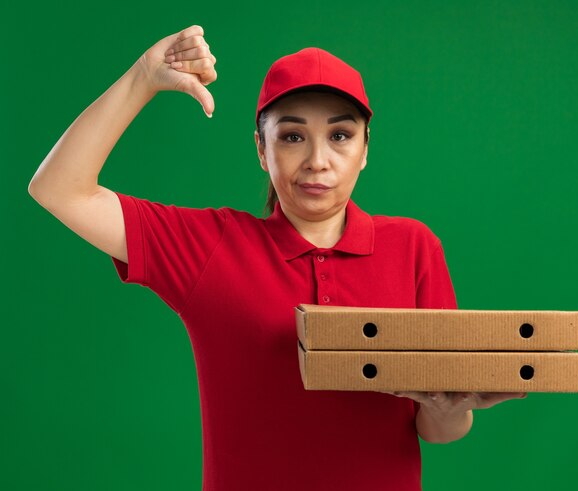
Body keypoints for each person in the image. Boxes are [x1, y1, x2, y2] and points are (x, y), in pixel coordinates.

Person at [28, 24, 526, 491]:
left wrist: (445, 406)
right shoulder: (212, 246)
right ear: (261, 150)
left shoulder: (413, 247)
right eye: (291, 136)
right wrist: (142, 77)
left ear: (366, 148)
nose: (317, 160)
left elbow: (440, 431)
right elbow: (59, 189)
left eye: (340, 135)